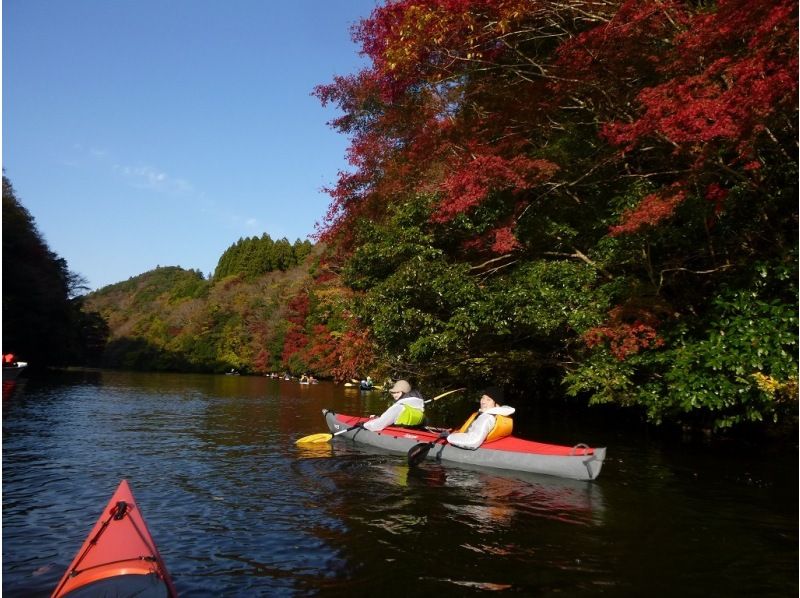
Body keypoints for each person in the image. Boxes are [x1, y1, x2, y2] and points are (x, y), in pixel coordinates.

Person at [446, 387, 515, 449]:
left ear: (496, 405)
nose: (483, 402)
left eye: (488, 400)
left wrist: (449, 437)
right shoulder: (496, 415)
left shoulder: (486, 418)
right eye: (483, 398)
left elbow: (473, 441)